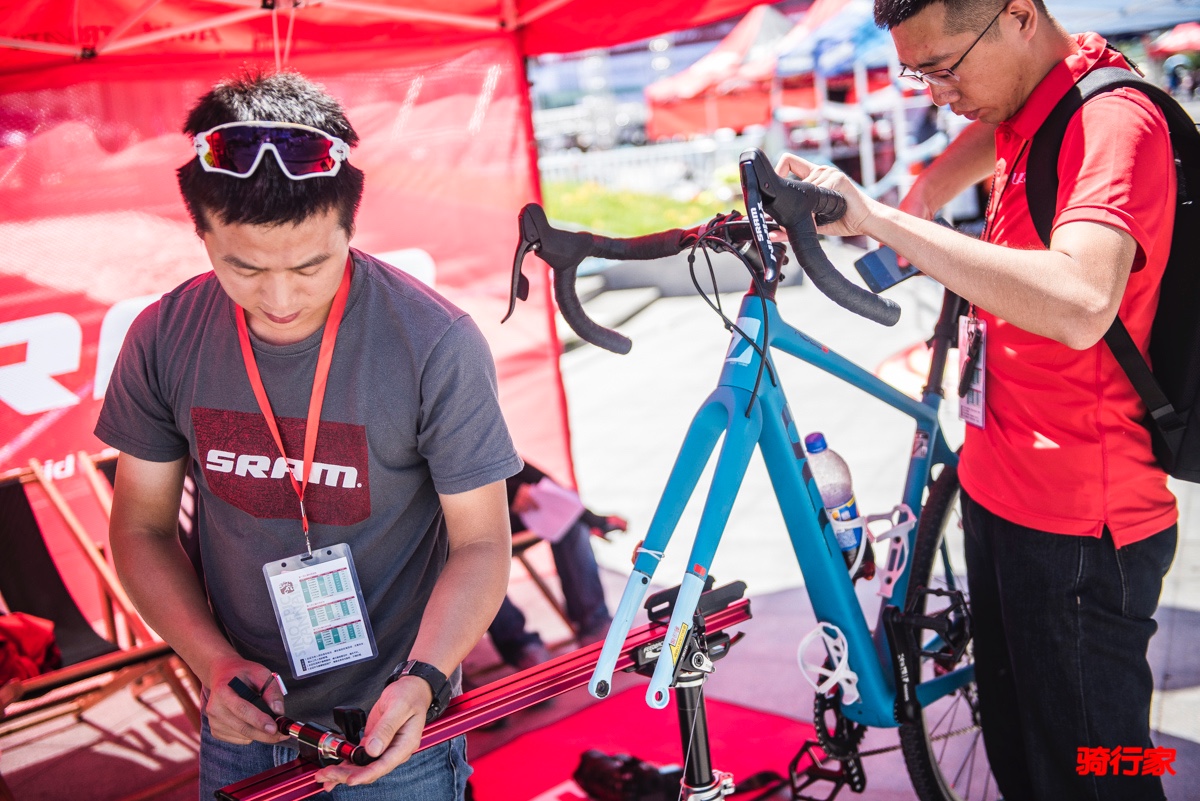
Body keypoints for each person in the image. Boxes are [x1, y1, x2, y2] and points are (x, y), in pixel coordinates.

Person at [775, 1, 1178, 798]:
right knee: (1023, 756)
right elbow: (970, 153)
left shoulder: (1113, 121)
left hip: (1078, 524)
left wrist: (882, 216)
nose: (932, 93)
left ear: (1019, 15)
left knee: (1106, 767)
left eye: (943, 68)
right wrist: (916, 204)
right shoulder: (1028, 100)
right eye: (915, 73)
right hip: (994, 486)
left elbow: (1079, 299)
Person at [95, 71, 521, 798]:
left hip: (394, 721)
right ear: (201, 233)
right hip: (242, 715)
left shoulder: (432, 341)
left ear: (350, 226)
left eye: (310, 264)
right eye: (244, 266)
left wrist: (422, 679)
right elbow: (139, 526)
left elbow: (482, 542)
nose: (281, 297)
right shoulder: (164, 336)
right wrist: (212, 662)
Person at [487, 463, 625, 669]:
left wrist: (590, 518)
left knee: (569, 521)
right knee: (458, 556)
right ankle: (522, 649)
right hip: (455, 519)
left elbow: (524, 470)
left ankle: (595, 626)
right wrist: (504, 492)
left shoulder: (476, 433)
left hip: (502, 505)